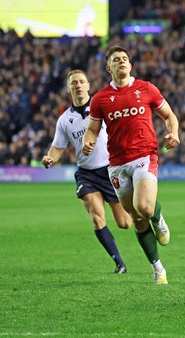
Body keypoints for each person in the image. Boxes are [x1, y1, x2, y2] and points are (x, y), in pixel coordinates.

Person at [83, 46, 180, 285]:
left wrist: (174, 133)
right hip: (116, 164)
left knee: (144, 207)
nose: (122, 62)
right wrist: (88, 141)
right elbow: (92, 130)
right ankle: (158, 269)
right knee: (135, 218)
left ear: (130, 65)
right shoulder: (100, 99)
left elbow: (169, 116)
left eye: (125, 59)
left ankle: (158, 219)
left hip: (144, 155)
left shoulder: (146, 88)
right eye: (117, 60)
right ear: (109, 68)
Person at [42, 69, 131, 274]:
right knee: (96, 216)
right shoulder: (65, 120)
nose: (78, 85)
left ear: (89, 86)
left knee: (125, 223)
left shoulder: (103, 106)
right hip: (86, 174)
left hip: (111, 170)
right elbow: (57, 148)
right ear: (69, 88)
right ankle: (119, 263)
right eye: (74, 83)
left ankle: (147, 215)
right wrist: (50, 158)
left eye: (82, 82)